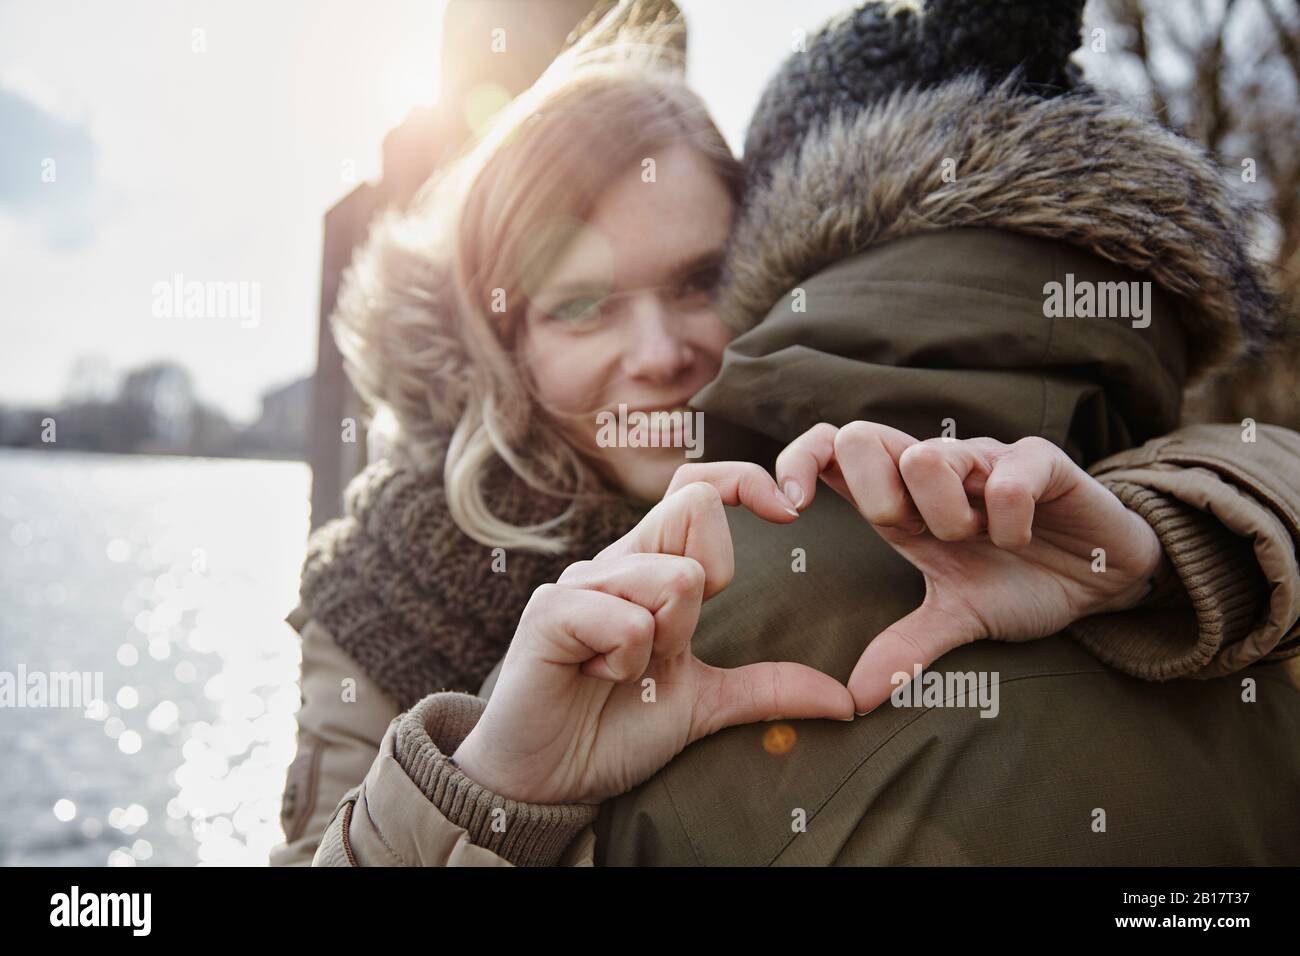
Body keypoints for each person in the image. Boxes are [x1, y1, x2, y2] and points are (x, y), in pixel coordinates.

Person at [279, 0, 1300, 867]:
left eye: (696, 282)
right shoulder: (390, 589)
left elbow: (1222, 451)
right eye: (581, 306)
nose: (659, 351)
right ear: (506, 346)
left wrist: (1166, 546)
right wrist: (489, 787)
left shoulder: (870, 475)